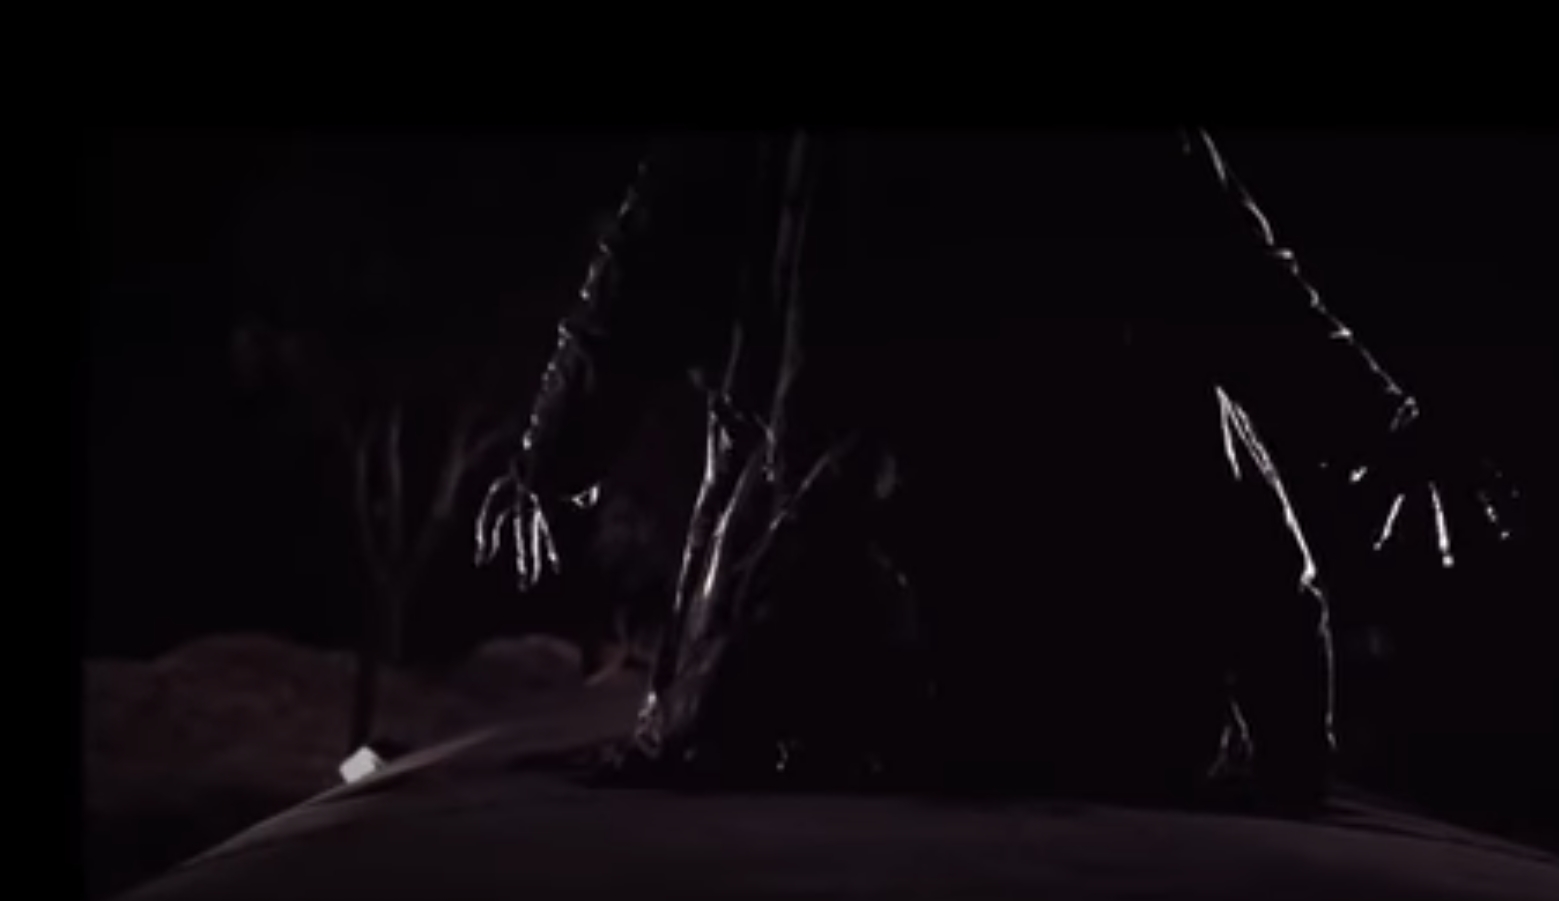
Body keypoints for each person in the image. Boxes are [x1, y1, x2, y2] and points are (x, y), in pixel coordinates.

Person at [475, 128, 1480, 813]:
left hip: (809, 652)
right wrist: (1383, 424)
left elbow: (641, 275)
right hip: (1085, 665)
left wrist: (554, 461)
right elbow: (1238, 278)